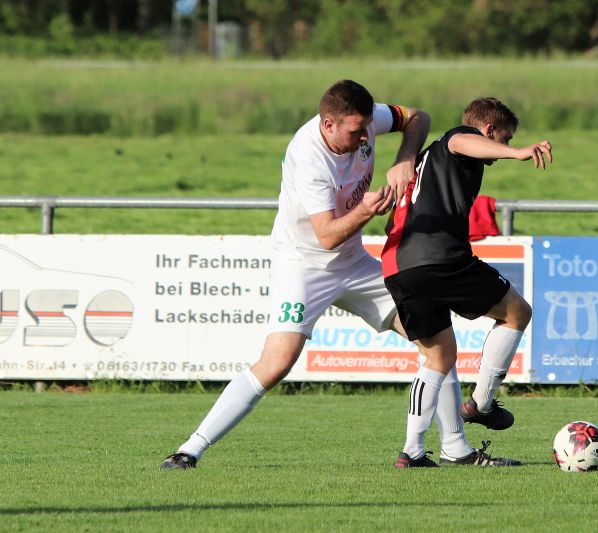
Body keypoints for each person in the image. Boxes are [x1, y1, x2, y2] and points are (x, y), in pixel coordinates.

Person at [160, 81, 519, 470]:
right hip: (303, 266)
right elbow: (328, 236)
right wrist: (366, 210)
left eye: (368, 127)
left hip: (356, 263)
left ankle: (455, 448)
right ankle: (189, 449)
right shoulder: (308, 158)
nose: (366, 136)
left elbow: (418, 117)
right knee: (277, 363)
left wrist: (404, 157)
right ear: (328, 124)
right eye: (356, 131)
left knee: (437, 344)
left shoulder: (365, 119)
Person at [382, 97, 552, 467]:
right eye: (505, 138)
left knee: (438, 356)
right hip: (438, 257)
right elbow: (462, 141)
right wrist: (518, 153)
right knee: (517, 312)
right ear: (489, 130)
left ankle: (412, 451)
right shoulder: (457, 140)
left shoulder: (429, 159)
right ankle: (482, 403)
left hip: (398, 266)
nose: (504, 146)